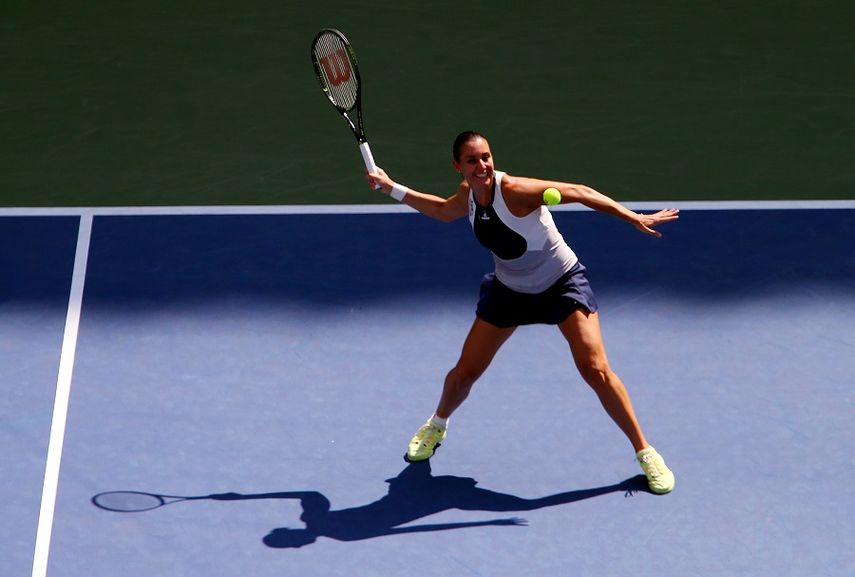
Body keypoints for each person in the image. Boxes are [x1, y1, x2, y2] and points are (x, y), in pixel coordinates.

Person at [365, 131, 678, 494]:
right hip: (510, 291)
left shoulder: (515, 190)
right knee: (465, 372)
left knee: (595, 369)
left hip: (561, 283)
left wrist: (631, 216)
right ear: (458, 167)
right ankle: (437, 424)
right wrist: (391, 188)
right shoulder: (467, 195)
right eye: (472, 160)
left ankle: (646, 452)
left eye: (485, 156)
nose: (481, 165)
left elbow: (580, 191)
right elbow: (440, 209)